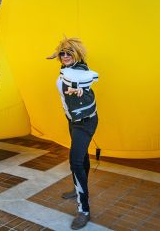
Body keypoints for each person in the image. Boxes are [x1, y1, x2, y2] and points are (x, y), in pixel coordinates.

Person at [50, 37, 99, 230]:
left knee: (76, 162)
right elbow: (66, 70)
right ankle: (78, 187)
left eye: (69, 53)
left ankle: (84, 210)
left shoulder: (81, 71)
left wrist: (80, 89)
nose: (64, 56)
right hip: (73, 121)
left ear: (76, 54)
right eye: (62, 53)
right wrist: (57, 53)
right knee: (82, 157)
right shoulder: (66, 67)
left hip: (85, 123)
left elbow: (86, 81)